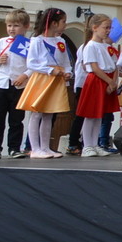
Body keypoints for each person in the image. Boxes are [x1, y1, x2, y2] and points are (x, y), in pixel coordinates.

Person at [19, 8, 73, 158]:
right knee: (37, 114)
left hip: (56, 80)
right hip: (42, 79)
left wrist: (68, 72)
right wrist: (49, 70)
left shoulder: (61, 41)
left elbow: (66, 62)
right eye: (63, 22)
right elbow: (31, 63)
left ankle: (45, 147)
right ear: (54, 23)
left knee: (49, 114)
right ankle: (35, 148)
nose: (65, 25)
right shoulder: (37, 41)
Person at [0, 9, 30, 159]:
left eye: (16, 25)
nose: (12, 29)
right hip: (1, 84)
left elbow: (33, 65)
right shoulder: (1, 42)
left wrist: (24, 76)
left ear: (26, 26)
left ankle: (14, 148)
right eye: (9, 25)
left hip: (19, 85)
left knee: (16, 120)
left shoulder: (28, 44)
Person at [74, 13, 120, 156]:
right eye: (106, 28)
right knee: (90, 114)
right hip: (97, 80)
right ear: (94, 28)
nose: (108, 31)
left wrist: (113, 82)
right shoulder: (90, 46)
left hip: (107, 80)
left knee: (99, 114)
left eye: (110, 28)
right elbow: (94, 67)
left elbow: (114, 65)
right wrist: (109, 81)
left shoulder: (106, 46)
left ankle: (95, 144)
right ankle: (87, 145)